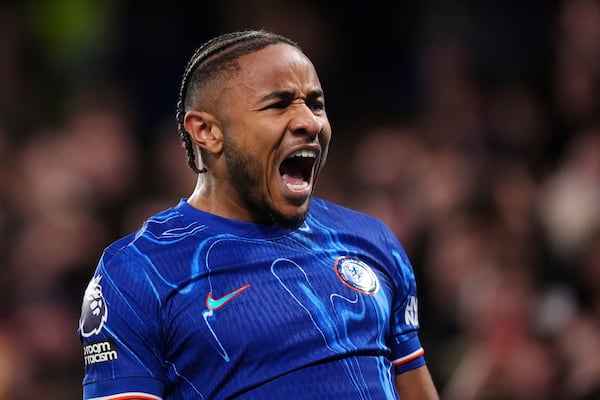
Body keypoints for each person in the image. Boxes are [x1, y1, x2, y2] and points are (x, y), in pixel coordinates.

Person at [78, 30, 439, 400]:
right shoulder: (137, 273)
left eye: (315, 104)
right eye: (279, 105)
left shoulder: (372, 241)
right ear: (206, 131)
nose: (310, 123)